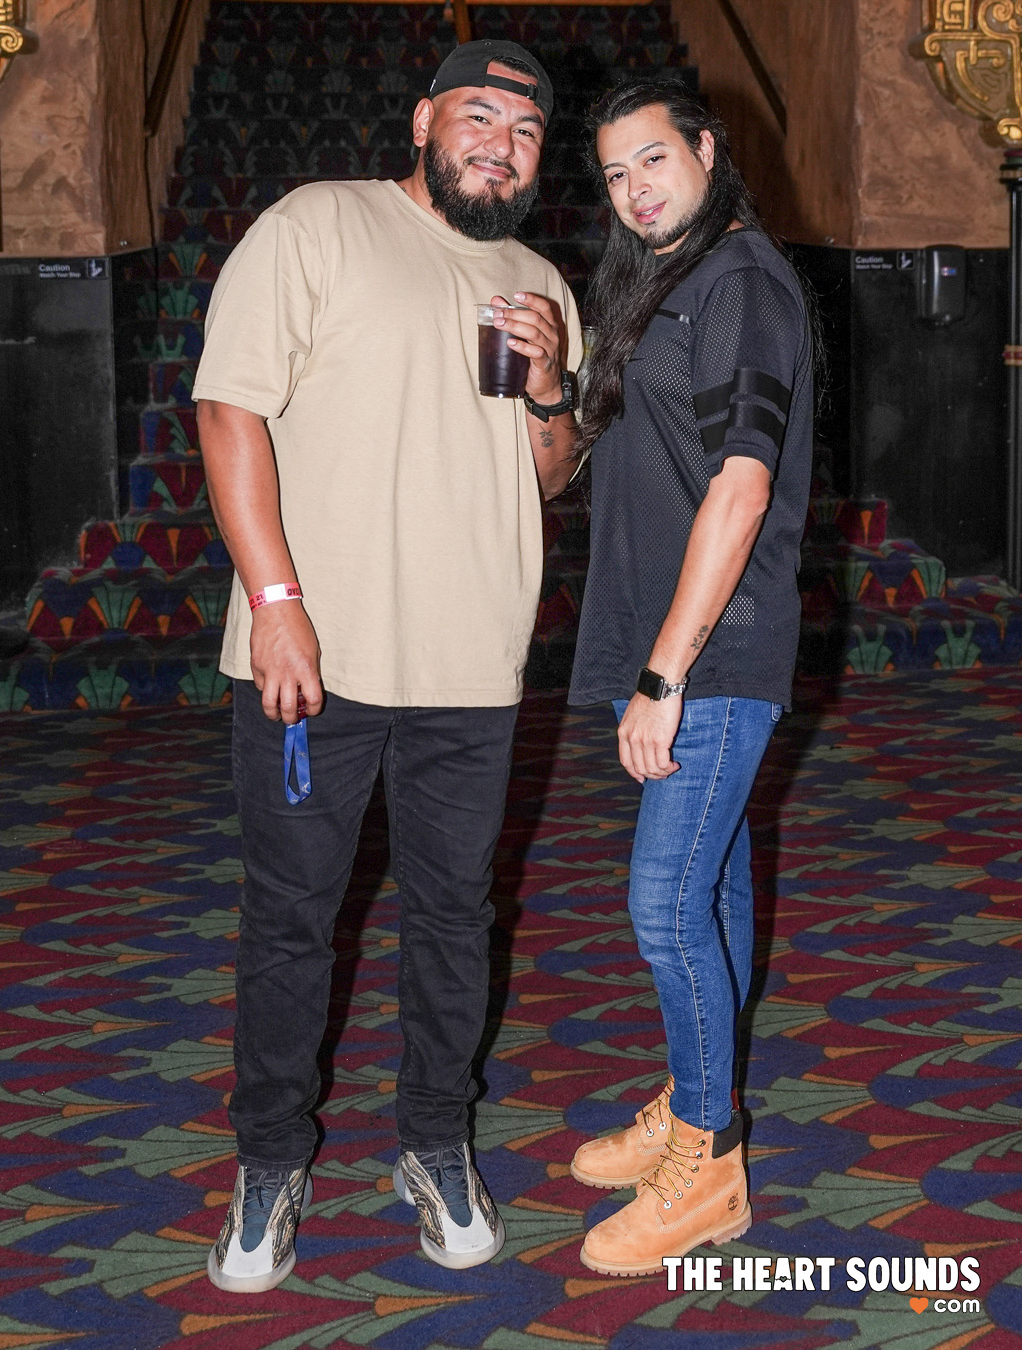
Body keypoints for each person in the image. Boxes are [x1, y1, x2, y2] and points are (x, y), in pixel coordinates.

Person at [194, 39, 582, 1291]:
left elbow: (547, 475)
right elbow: (228, 409)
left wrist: (551, 388)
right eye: (479, 116)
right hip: (318, 658)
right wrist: (277, 604)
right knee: (293, 919)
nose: (500, 145)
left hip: (473, 665)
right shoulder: (318, 224)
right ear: (423, 121)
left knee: (455, 920)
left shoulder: (537, 281)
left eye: (525, 131)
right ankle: (270, 1159)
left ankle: (434, 1141)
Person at [566, 79, 813, 1276]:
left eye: (654, 159)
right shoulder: (676, 279)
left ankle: (710, 1164)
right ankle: (693, 1096)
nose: (635, 190)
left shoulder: (743, 282)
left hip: (715, 646)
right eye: (615, 174)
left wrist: (664, 675)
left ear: (709, 150)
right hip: (679, 637)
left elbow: (742, 486)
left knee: (664, 903)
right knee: (707, 885)